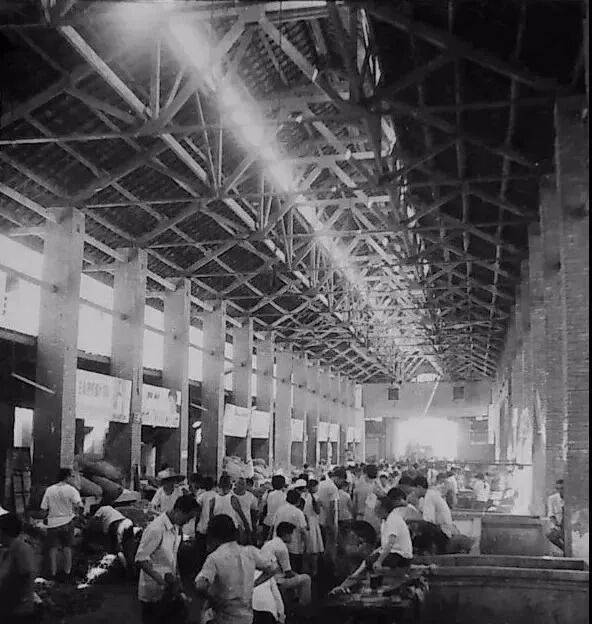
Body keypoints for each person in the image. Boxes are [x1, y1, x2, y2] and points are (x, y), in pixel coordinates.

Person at [195, 514, 276, 624]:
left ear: (212, 536)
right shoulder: (250, 552)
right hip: (247, 618)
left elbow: (200, 585)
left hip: (224, 617)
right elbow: (273, 568)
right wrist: (254, 584)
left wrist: (213, 600)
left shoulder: (214, 558)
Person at [135, 494, 199, 624]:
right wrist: (162, 582)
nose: (187, 522)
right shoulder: (156, 529)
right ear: (178, 511)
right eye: (187, 518)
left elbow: (172, 557)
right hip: (153, 591)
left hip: (168, 590)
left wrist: (177, 579)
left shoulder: (175, 527)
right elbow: (140, 559)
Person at [40, 467, 83, 579]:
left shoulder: (49, 490)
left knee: (53, 548)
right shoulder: (72, 490)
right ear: (67, 477)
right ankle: (67, 573)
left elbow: (43, 508)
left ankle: (53, 573)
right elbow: (79, 505)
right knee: (67, 548)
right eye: (71, 476)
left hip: (52, 523)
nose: (72, 478)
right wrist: (76, 515)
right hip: (67, 522)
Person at [261, 522, 312, 607]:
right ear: (285, 534)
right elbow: (288, 572)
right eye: (291, 534)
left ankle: (292, 604)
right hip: (276, 581)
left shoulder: (269, 543)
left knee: (295, 580)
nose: (292, 537)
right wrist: (298, 575)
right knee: (306, 579)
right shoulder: (282, 547)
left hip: (265, 578)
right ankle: (304, 607)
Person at [0, 513, 37, 623]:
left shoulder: (21, 549)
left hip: (18, 610)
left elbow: (27, 576)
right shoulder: (8, 550)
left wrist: (20, 600)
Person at [372, 488, 413, 569]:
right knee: (370, 559)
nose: (375, 511)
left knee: (373, 561)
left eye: (377, 508)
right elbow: (384, 545)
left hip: (401, 556)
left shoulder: (393, 519)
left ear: (383, 509)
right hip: (393, 553)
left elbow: (390, 543)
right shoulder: (384, 521)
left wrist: (379, 561)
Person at [272, 489, 307, 574]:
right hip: (294, 547)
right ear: (298, 501)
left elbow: (273, 526)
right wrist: (306, 546)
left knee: (280, 571)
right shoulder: (298, 512)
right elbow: (303, 531)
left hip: (278, 544)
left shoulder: (279, 509)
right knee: (293, 571)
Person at [211, 475, 251, 543]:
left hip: (218, 530)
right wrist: (247, 528)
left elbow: (211, 517)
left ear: (219, 485)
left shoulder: (213, 499)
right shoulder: (233, 499)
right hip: (231, 530)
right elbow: (242, 515)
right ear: (230, 486)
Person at [302, 479, 323, 576]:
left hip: (303, 521)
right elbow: (318, 511)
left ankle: (305, 568)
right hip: (313, 523)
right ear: (314, 487)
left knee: (305, 548)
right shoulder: (316, 497)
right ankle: (314, 570)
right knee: (314, 549)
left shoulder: (303, 496)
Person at [546, 479, 565, 551]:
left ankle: (566, 550)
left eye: (562, 488)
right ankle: (564, 549)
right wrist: (557, 524)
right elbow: (551, 514)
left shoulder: (571, 498)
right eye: (558, 488)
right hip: (558, 526)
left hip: (568, 526)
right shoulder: (552, 498)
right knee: (550, 535)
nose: (560, 491)